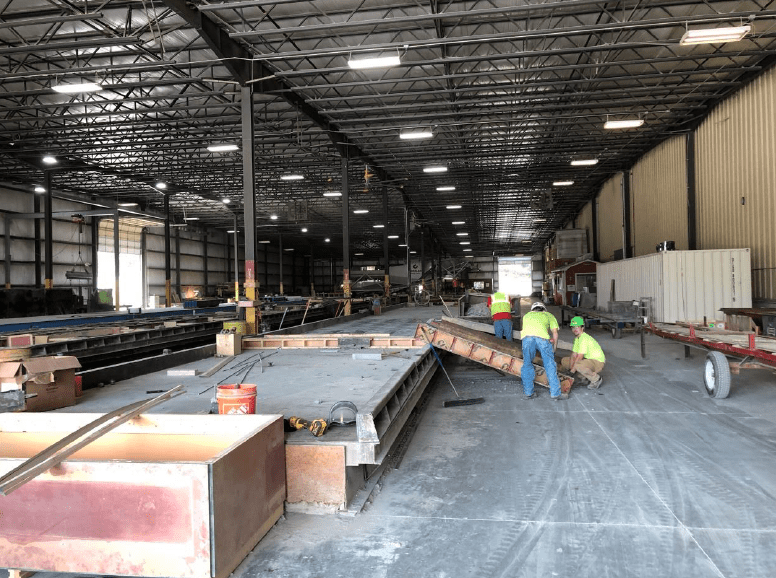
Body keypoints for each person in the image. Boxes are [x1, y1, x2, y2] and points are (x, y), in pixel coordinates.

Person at [520, 301, 564, 400]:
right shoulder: (549, 315)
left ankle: (528, 393)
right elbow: (555, 333)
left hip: (527, 339)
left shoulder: (527, 315)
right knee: (549, 364)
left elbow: (527, 330)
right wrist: (554, 348)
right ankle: (555, 393)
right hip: (543, 339)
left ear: (533, 310)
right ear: (543, 309)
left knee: (527, 364)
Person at [561, 316, 605, 389]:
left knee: (578, 365)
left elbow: (579, 357)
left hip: (597, 362)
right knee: (565, 361)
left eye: (577, 327)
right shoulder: (577, 339)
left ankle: (596, 379)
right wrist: (570, 369)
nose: (575, 329)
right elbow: (574, 355)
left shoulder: (584, 338)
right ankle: (583, 378)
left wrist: (572, 372)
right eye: (573, 327)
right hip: (589, 360)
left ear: (582, 328)